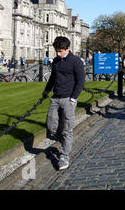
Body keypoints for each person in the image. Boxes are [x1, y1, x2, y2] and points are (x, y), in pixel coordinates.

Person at [42, 36, 85, 170]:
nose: (58, 54)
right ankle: (65, 142)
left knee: (67, 129)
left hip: (68, 99)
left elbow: (80, 81)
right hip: (55, 97)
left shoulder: (75, 61)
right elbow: (53, 78)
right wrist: (46, 90)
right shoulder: (55, 61)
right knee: (51, 126)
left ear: (68, 49)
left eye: (61, 51)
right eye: (57, 51)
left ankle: (64, 156)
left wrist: (73, 98)